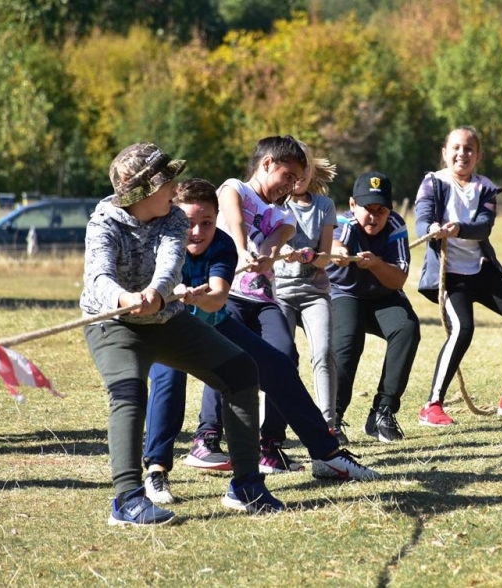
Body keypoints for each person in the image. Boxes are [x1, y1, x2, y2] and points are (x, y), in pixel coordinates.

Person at [81, 142, 283, 526]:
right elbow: (98, 277)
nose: (174, 187)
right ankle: (127, 500)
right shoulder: (103, 223)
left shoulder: (173, 217)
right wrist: (126, 297)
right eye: (165, 181)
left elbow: (170, 263)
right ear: (139, 190)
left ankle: (246, 487)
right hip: (114, 323)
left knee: (241, 371)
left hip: (165, 318)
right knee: (129, 392)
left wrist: (155, 295)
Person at [143, 178, 378, 504]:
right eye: (189, 223)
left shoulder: (222, 245)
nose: (197, 232)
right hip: (166, 326)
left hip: (212, 322)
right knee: (168, 380)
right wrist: (170, 293)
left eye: (206, 223)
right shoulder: (162, 242)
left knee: (278, 365)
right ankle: (156, 471)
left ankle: (327, 454)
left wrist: (197, 298)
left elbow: (217, 297)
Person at [184, 135, 311, 473]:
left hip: (264, 299)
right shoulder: (234, 188)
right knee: (224, 359)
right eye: (288, 175)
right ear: (267, 163)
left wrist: (265, 256)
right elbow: (234, 219)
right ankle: (206, 439)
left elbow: (272, 244)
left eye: (296, 180)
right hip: (228, 293)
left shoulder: (286, 217)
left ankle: (270, 445)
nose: (291, 185)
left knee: (285, 356)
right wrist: (242, 250)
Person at [414, 125, 502, 427]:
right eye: (456, 148)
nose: (462, 154)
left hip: (481, 270)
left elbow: (484, 226)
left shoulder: (486, 188)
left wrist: (458, 228)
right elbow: (422, 221)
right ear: (445, 152)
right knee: (463, 329)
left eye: (469, 149)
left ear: (479, 156)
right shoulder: (433, 183)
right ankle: (431, 406)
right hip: (450, 275)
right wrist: (432, 230)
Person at [327, 171, 421, 443]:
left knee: (407, 329)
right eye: (368, 208)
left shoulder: (395, 226)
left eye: (381, 210)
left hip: (382, 295)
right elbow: (336, 240)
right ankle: (333, 418)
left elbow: (399, 279)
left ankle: (383, 412)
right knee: (348, 339)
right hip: (344, 294)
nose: (374, 216)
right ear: (353, 204)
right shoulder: (345, 222)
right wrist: (339, 251)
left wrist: (377, 264)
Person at [273, 141, 340, 439]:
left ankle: (329, 425)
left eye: (305, 167)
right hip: (279, 292)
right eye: (293, 168)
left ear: (312, 171)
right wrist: (283, 249)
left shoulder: (324, 206)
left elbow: (326, 255)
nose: (299, 175)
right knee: (281, 358)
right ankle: (276, 427)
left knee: (324, 353)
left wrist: (314, 257)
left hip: (315, 290)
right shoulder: (274, 203)